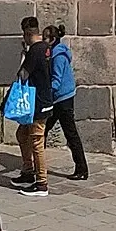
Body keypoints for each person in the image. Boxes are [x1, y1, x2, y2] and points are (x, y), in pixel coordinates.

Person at [41, 23, 88, 181]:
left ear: (53, 39)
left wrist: (47, 93)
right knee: (43, 130)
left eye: (45, 37)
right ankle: (37, 164)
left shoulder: (58, 55)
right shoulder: (53, 53)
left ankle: (82, 169)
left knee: (70, 134)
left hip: (62, 99)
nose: (43, 39)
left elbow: (56, 79)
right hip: (58, 98)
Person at [12, 14, 52, 195]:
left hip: (36, 102)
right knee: (22, 134)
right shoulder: (45, 47)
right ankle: (28, 170)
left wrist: (23, 56)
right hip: (43, 99)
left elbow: (23, 74)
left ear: (27, 34)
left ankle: (42, 183)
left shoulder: (35, 50)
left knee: (37, 141)